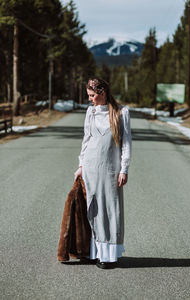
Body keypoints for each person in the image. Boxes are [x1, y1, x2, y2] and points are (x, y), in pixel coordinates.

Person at [74, 78, 132, 269]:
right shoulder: (90, 112)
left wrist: (124, 169)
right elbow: (86, 140)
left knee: (110, 210)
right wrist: (81, 166)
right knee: (92, 210)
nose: (90, 99)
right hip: (90, 168)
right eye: (89, 95)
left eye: (92, 95)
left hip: (110, 170)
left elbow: (126, 144)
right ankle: (93, 253)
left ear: (102, 93)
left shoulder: (121, 113)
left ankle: (108, 256)